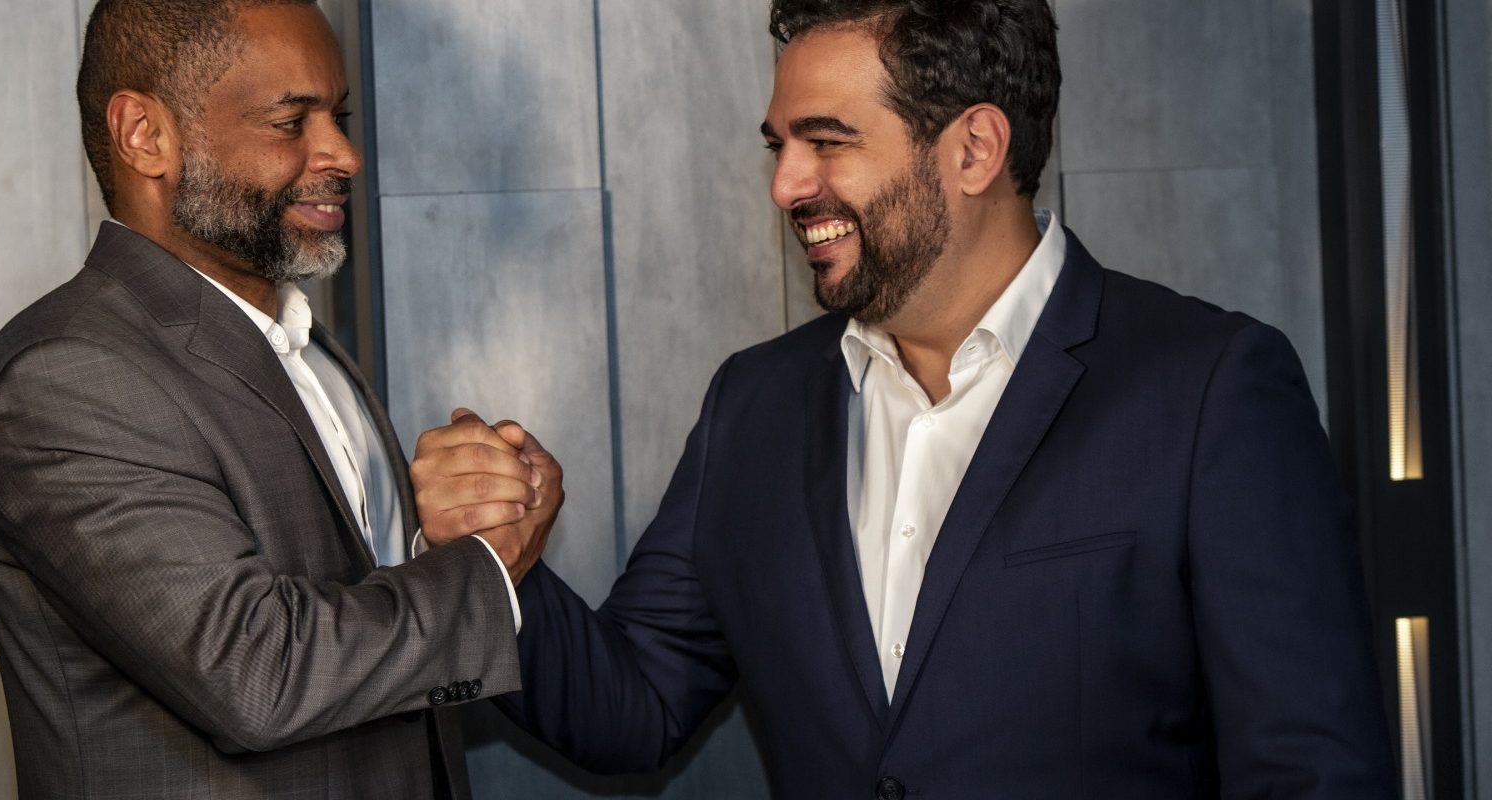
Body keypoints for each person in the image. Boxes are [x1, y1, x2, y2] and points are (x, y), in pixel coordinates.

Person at [414, 0, 1398, 796]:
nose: (786, 183)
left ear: (974, 149)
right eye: (779, 144)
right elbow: (632, 706)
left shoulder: (1209, 388)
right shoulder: (753, 407)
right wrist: (503, 566)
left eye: (826, 140)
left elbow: (1310, 770)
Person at [0, 1, 549, 797]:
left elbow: (357, 604)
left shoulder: (306, 344)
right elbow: (258, 675)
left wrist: (445, 537)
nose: (344, 153)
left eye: (338, 117)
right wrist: (487, 567)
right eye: (290, 121)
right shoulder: (65, 379)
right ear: (145, 135)